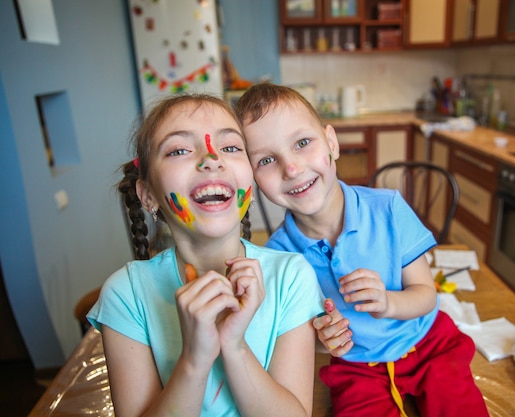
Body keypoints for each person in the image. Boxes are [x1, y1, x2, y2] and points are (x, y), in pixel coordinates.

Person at [236, 83, 490, 417]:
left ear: (332, 142)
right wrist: (322, 338)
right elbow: (294, 337)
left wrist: (388, 302)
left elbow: (427, 295)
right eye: (267, 159)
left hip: (428, 343)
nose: (292, 168)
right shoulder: (276, 259)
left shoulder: (389, 209)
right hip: (356, 366)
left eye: (302, 143)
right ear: (252, 177)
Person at [87, 93, 323, 417]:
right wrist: (194, 359)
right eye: (179, 150)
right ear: (148, 195)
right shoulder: (125, 295)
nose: (211, 159)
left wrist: (235, 347)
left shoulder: (291, 277)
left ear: (249, 178)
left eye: (230, 147)